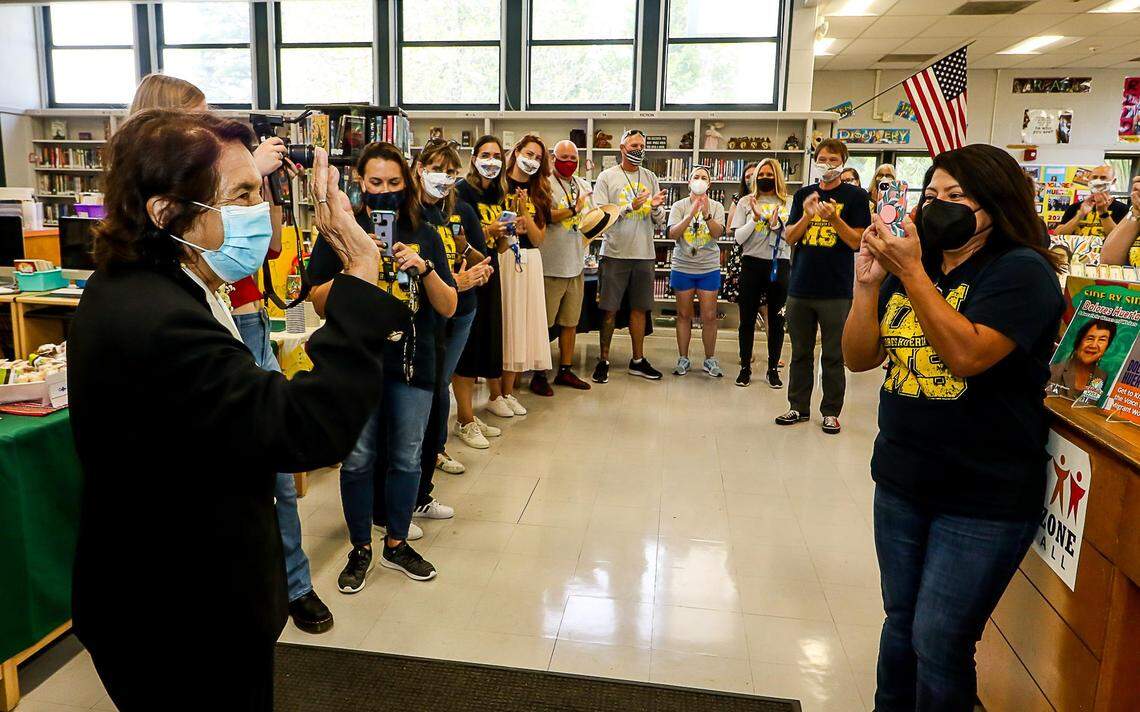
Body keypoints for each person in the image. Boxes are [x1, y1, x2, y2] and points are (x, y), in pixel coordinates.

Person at [68, 111, 406, 710]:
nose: (262, 208)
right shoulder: (156, 316)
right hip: (178, 621)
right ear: (166, 213)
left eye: (262, 189)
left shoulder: (154, 285)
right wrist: (360, 271)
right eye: (243, 194)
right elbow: (304, 429)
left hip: (179, 595)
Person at [842, 143, 1064, 711]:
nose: (939, 206)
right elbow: (860, 357)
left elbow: (968, 355)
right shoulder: (916, 265)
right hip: (902, 477)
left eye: (957, 197)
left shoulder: (1022, 272)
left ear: (994, 203)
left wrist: (913, 273)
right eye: (932, 194)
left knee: (940, 639)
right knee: (900, 623)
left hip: (982, 491)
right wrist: (869, 286)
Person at [126, 73, 333, 634]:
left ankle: (292, 580)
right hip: (216, 317)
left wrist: (253, 188)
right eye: (196, 119)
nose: (207, 129)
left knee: (277, 465)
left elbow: (264, 244)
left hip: (243, 309)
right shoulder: (150, 297)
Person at [308, 142, 458, 592]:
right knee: (357, 460)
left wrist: (424, 267)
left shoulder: (426, 230)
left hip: (414, 364)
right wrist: (359, 264)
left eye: (394, 183)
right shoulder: (339, 231)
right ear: (359, 181)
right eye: (376, 183)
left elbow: (448, 306)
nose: (385, 192)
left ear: (407, 182)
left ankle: (395, 543)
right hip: (357, 365)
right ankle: (360, 549)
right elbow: (317, 302)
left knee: (407, 456)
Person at [408, 139, 494, 508]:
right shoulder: (409, 214)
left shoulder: (454, 209)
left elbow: (473, 250)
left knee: (441, 383)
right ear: (419, 169)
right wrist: (449, 281)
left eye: (450, 171)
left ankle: (435, 452)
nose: (443, 178)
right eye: (436, 169)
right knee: (428, 387)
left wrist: (476, 264)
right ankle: (420, 466)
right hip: (428, 314)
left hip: (464, 308)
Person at [776, 138, 872, 434]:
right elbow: (790, 237)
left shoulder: (855, 197)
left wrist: (834, 220)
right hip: (800, 286)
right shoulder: (804, 195)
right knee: (800, 352)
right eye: (822, 159)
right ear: (814, 160)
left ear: (843, 162)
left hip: (836, 289)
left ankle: (830, 411)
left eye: (833, 160)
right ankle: (797, 407)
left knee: (833, 354)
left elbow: (857, 241)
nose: (827, 164)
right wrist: (808, 214)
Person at [590, 128, 668, 383]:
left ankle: (638, 360)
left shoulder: (650, 176)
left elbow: (660, 220)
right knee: (609, 309)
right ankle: (603, 360)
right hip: (614, 253)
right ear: (622, 148)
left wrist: (655, 209)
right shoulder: (606, 177)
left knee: (640, 309)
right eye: (633, 146)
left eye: (642, 146)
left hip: (644, 253)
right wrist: (628, 207)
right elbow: (600, 217)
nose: (638, 150)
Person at [454, 135, 514, 435]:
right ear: (474, 158)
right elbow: (458, 237)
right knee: (466, 346)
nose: (491, 161)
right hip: (467, 274)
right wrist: (486, 229)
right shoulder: (461, 193)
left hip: (491, 273)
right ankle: (463, 418)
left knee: (485, 342)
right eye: (485, 155)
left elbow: (498, 247)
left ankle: (472, 414)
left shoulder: (499, 193)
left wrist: (504, 234)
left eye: (497, 156)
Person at [532, 138, 593, 392]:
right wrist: (573, 209)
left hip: (575, 264)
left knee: (570, 322)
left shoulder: (583, 185)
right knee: (543, 324)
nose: (568, 164)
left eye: (573, 160)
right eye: (563, 158)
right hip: (549, 266)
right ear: (552, 158)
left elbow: (590, 215)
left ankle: (565, 370)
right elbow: (545, 215)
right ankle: (539, 373)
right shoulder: (543, 184)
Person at [499, 134, 554, 405]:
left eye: (538, 158)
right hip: (501, 257)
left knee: (519, 326)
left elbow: (538, 238)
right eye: (529, 154)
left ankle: (508, 392)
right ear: (517, 151)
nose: (532, 161)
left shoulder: (540, 190)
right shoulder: (498, 183)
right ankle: (498, 392)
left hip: (528, 261)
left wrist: (524, 211)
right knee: (502, 324)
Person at [730, 158, 792, 388]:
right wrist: (755, 218)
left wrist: (776, 225)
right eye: (761, 174)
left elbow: (791, 237)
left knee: (776, 320)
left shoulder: (789, 202)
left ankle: (773, 368)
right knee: (746, 319)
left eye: (769, 174)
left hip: (779, 264)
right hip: (752, 264)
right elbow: (738, 238)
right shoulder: (746, 201)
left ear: (777, 176)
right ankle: (745, 367)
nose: (765, 178)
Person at [667, 165, 726, 377]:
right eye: (696, 177)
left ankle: (709, 359)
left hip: (708, 267)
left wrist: (707, 215)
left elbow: (718, 233)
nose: (700, 180)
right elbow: (673, 234)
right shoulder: (679, 205)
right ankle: (683, 358)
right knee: (683, 315)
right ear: (689, 182)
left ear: (709, 184)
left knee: (709, 316)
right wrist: (690, 214)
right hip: (682, 266)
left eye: (704, 177)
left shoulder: (717, 206)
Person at [1053, 165, 1128, 252]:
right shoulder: (1074, 207)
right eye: (1095, 177)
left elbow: (1120, 239)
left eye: (1103, 178)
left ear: (1113, 181)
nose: (1098, 181)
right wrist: (1079, 215)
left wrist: (1103, 213)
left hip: (1104, 258)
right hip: (1075, 256)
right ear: (1089, 180)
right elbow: (1058, 234)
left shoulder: (1123, 209)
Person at [1048, 319, 1116, 398]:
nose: (1093, 345)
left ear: (1106, 347)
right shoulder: (1054, 371)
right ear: (1078, 342)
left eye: (1102, 340)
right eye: (1090, 338)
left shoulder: (1102, 377)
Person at [1098, 175, 1140, 266]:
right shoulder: (1076, 207)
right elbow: (1108, 262)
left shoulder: (1121, 208)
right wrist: (1136, 210)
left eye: (1103, 178)